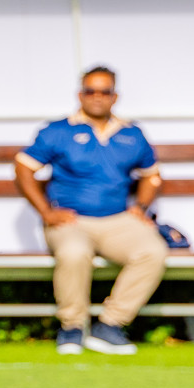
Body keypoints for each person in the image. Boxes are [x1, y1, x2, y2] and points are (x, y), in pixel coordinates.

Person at [14, 66, 167, 355]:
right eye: (90, 91)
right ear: (80, 94)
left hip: (117, 219)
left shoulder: (132, 133)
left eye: (104, 91)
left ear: (115, 96)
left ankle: (110, 326)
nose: (97, 97)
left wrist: (141, 207)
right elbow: (23, 167)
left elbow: (151, 174)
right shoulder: (58, 130)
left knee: (153, 252)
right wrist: (46, 211)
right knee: (74, 253)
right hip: (71, 219)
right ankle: (72, 327)